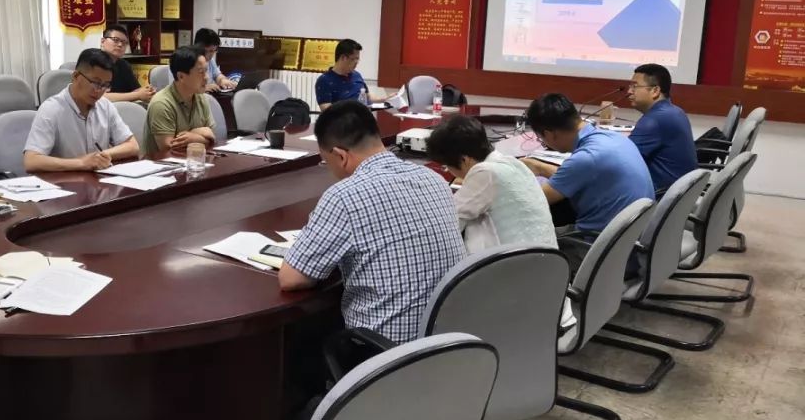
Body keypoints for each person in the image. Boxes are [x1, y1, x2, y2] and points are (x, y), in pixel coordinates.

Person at [279, 101, 466, 344]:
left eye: (327, 163)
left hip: (384, 352)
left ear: (341, 156)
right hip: (447, 343)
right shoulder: (435, 179)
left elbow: (292, 278)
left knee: (305, 346)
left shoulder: (344, 196)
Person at [522, 93, 654, 274]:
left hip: (601, 256)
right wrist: (539, 167)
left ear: (549, 134)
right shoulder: (612, 138)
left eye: (541, 138)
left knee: (521, 251)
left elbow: (533, 201)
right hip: (632, 246)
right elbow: (582, 174)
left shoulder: (585, 158)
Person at [427, 115, 557, 253]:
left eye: (447, 166)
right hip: (549, 260)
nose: (449, 171)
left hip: (513, 263)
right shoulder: (513, 163)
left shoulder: (485, 173)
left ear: (464, 160)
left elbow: (448, 224)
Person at [23, 48, 139, 173]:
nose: (99, 90)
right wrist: (81, 163)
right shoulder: (51, 109)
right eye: (95, 82)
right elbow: (31, 161)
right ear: (75, 76)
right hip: (65, 180)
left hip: (98, 179)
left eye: (105, 85)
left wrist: (100, 156)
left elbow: (132, 145)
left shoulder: (105, 105)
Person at [627, 63, 698, 194]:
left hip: (659, 196)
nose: (629, 91)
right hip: (680, 194)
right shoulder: (675, 111)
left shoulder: (654, 120)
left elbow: (622, 158)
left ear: (655, 91)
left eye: (635, 86)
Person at [143, 46, 216, 156]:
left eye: (206, 71)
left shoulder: (201, 97)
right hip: (162, 164)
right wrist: (200, 137)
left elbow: (211, 135)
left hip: (193, 160)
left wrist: (194, 137)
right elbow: (170, 149)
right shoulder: (161, 103)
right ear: (181, 76)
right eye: (201, 72)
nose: (206, 78)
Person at [314, 38, 382, 110]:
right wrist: (351, 109)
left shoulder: (357, 75)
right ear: (343, 58)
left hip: (362, 116)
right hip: (343, 117)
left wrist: (384, 99)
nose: (356, 62)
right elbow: (326, 108)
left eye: (358, 59)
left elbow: (367, 96)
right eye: (353, 59)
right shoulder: (324, 80)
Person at [100, 24, 155, 104]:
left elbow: (135, 90)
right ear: (103, 41)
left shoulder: (124, 65)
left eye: (124, 42)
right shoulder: (93, 62)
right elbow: (101, 97)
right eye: (115, 40)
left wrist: (147, 91)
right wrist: (138, 95)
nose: (120, 45)